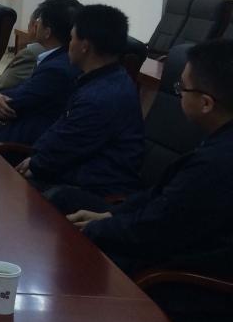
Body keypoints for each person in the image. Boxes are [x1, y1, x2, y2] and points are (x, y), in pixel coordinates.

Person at [67, 39, 233, 278]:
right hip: (163, 234)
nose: (178, 93)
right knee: (66, 199)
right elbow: (162, 197)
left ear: (206, 103)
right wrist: (111, 215)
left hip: (176, 274)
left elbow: (155, 229)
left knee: (73, 250)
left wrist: (97, 228)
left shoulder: (215, 164)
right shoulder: (218, 142)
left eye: (182, 88)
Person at [16, 4, 144, 203]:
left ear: (85, 46)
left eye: (72, 38)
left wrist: (35, 163)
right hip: (71, 175)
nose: (69, 45)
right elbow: (61, 135)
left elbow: (63, 150)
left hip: (91, 191)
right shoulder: (103, 78)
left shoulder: (100, 97)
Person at [0, 0, 82, 144]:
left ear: (47, 32)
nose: (35, 24)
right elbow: (24, 88)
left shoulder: (56, 69)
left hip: (17, 143)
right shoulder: (59, 58)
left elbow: (12, 104)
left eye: (39, 21)